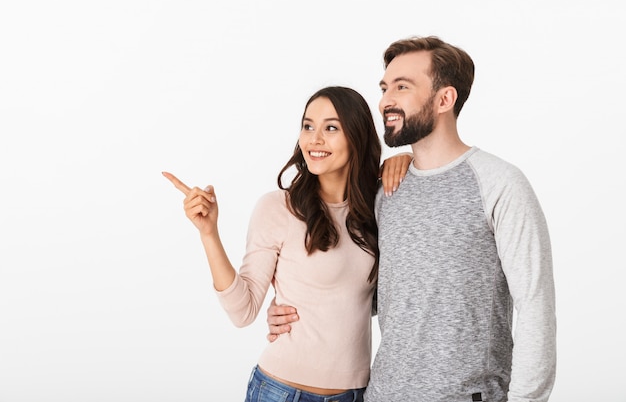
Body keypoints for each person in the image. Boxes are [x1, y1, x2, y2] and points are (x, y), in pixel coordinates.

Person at [265, 36, 557, 402]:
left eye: (402, 87)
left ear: (444, 99)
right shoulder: (386, 190)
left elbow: (535, 309)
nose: (386, 100)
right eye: (385, 87)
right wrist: (294, 307)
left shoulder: (500, 185)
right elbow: (367, 295)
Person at [163, 86, 411, 402]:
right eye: (308, 126)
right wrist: (209, 232)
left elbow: (366, 301)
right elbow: (243, 311)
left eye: (331, 128)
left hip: (358, 394)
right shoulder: (278, 207)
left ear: (357, 136)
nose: (314, 139)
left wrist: (408, 157)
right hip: (283, 392)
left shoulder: (375, 209)